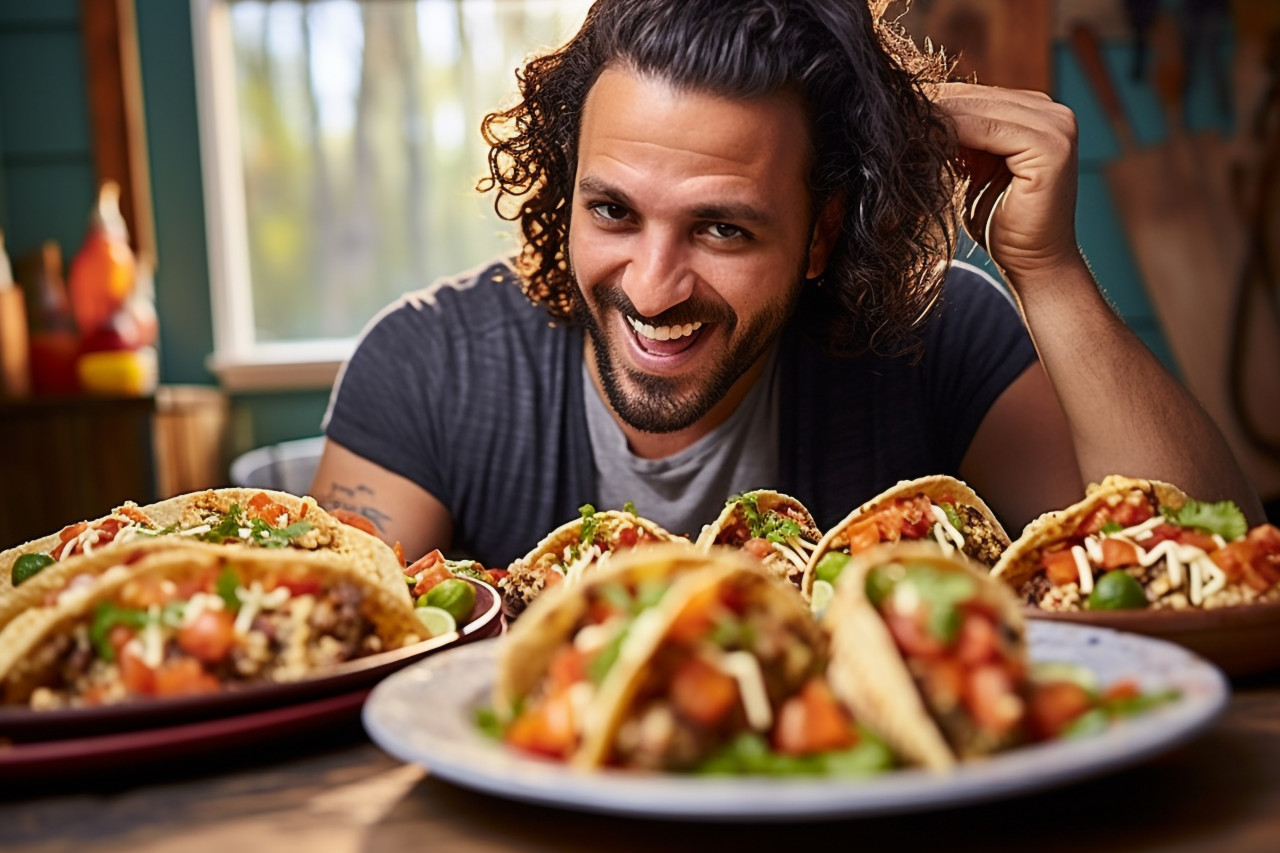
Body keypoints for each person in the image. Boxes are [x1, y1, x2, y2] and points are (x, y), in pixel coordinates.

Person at [311, 0, 1262, 568]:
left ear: (822, 233)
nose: (653, 287)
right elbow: (331, 644)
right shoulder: (428, 366)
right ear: (566, 190)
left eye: (722, 228)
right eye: (613, 211)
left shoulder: (939, 339)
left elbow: (1212, 560)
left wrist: (1047, 271)